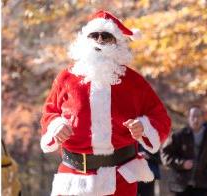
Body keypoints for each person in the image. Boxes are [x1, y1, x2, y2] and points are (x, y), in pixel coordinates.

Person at [39, 10, 171, 196]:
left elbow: (160, 117)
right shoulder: (66, 78)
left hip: (120, 179)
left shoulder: (134, 82)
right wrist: (56, 126)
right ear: (85, 39)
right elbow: (49, 112)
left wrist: (144, 127)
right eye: (94, 35)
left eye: (106, 36)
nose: (99, 40)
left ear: (117, 43)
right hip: (74, 178)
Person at [161, 106, 207, 196]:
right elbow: (165, 154)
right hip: (180, 184)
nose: (196, 119)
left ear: (203, 118)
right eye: (193, 116)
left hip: (202, 184)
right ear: (188, 118)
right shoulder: (178, 136)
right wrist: (182, 163)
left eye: (198, 116)